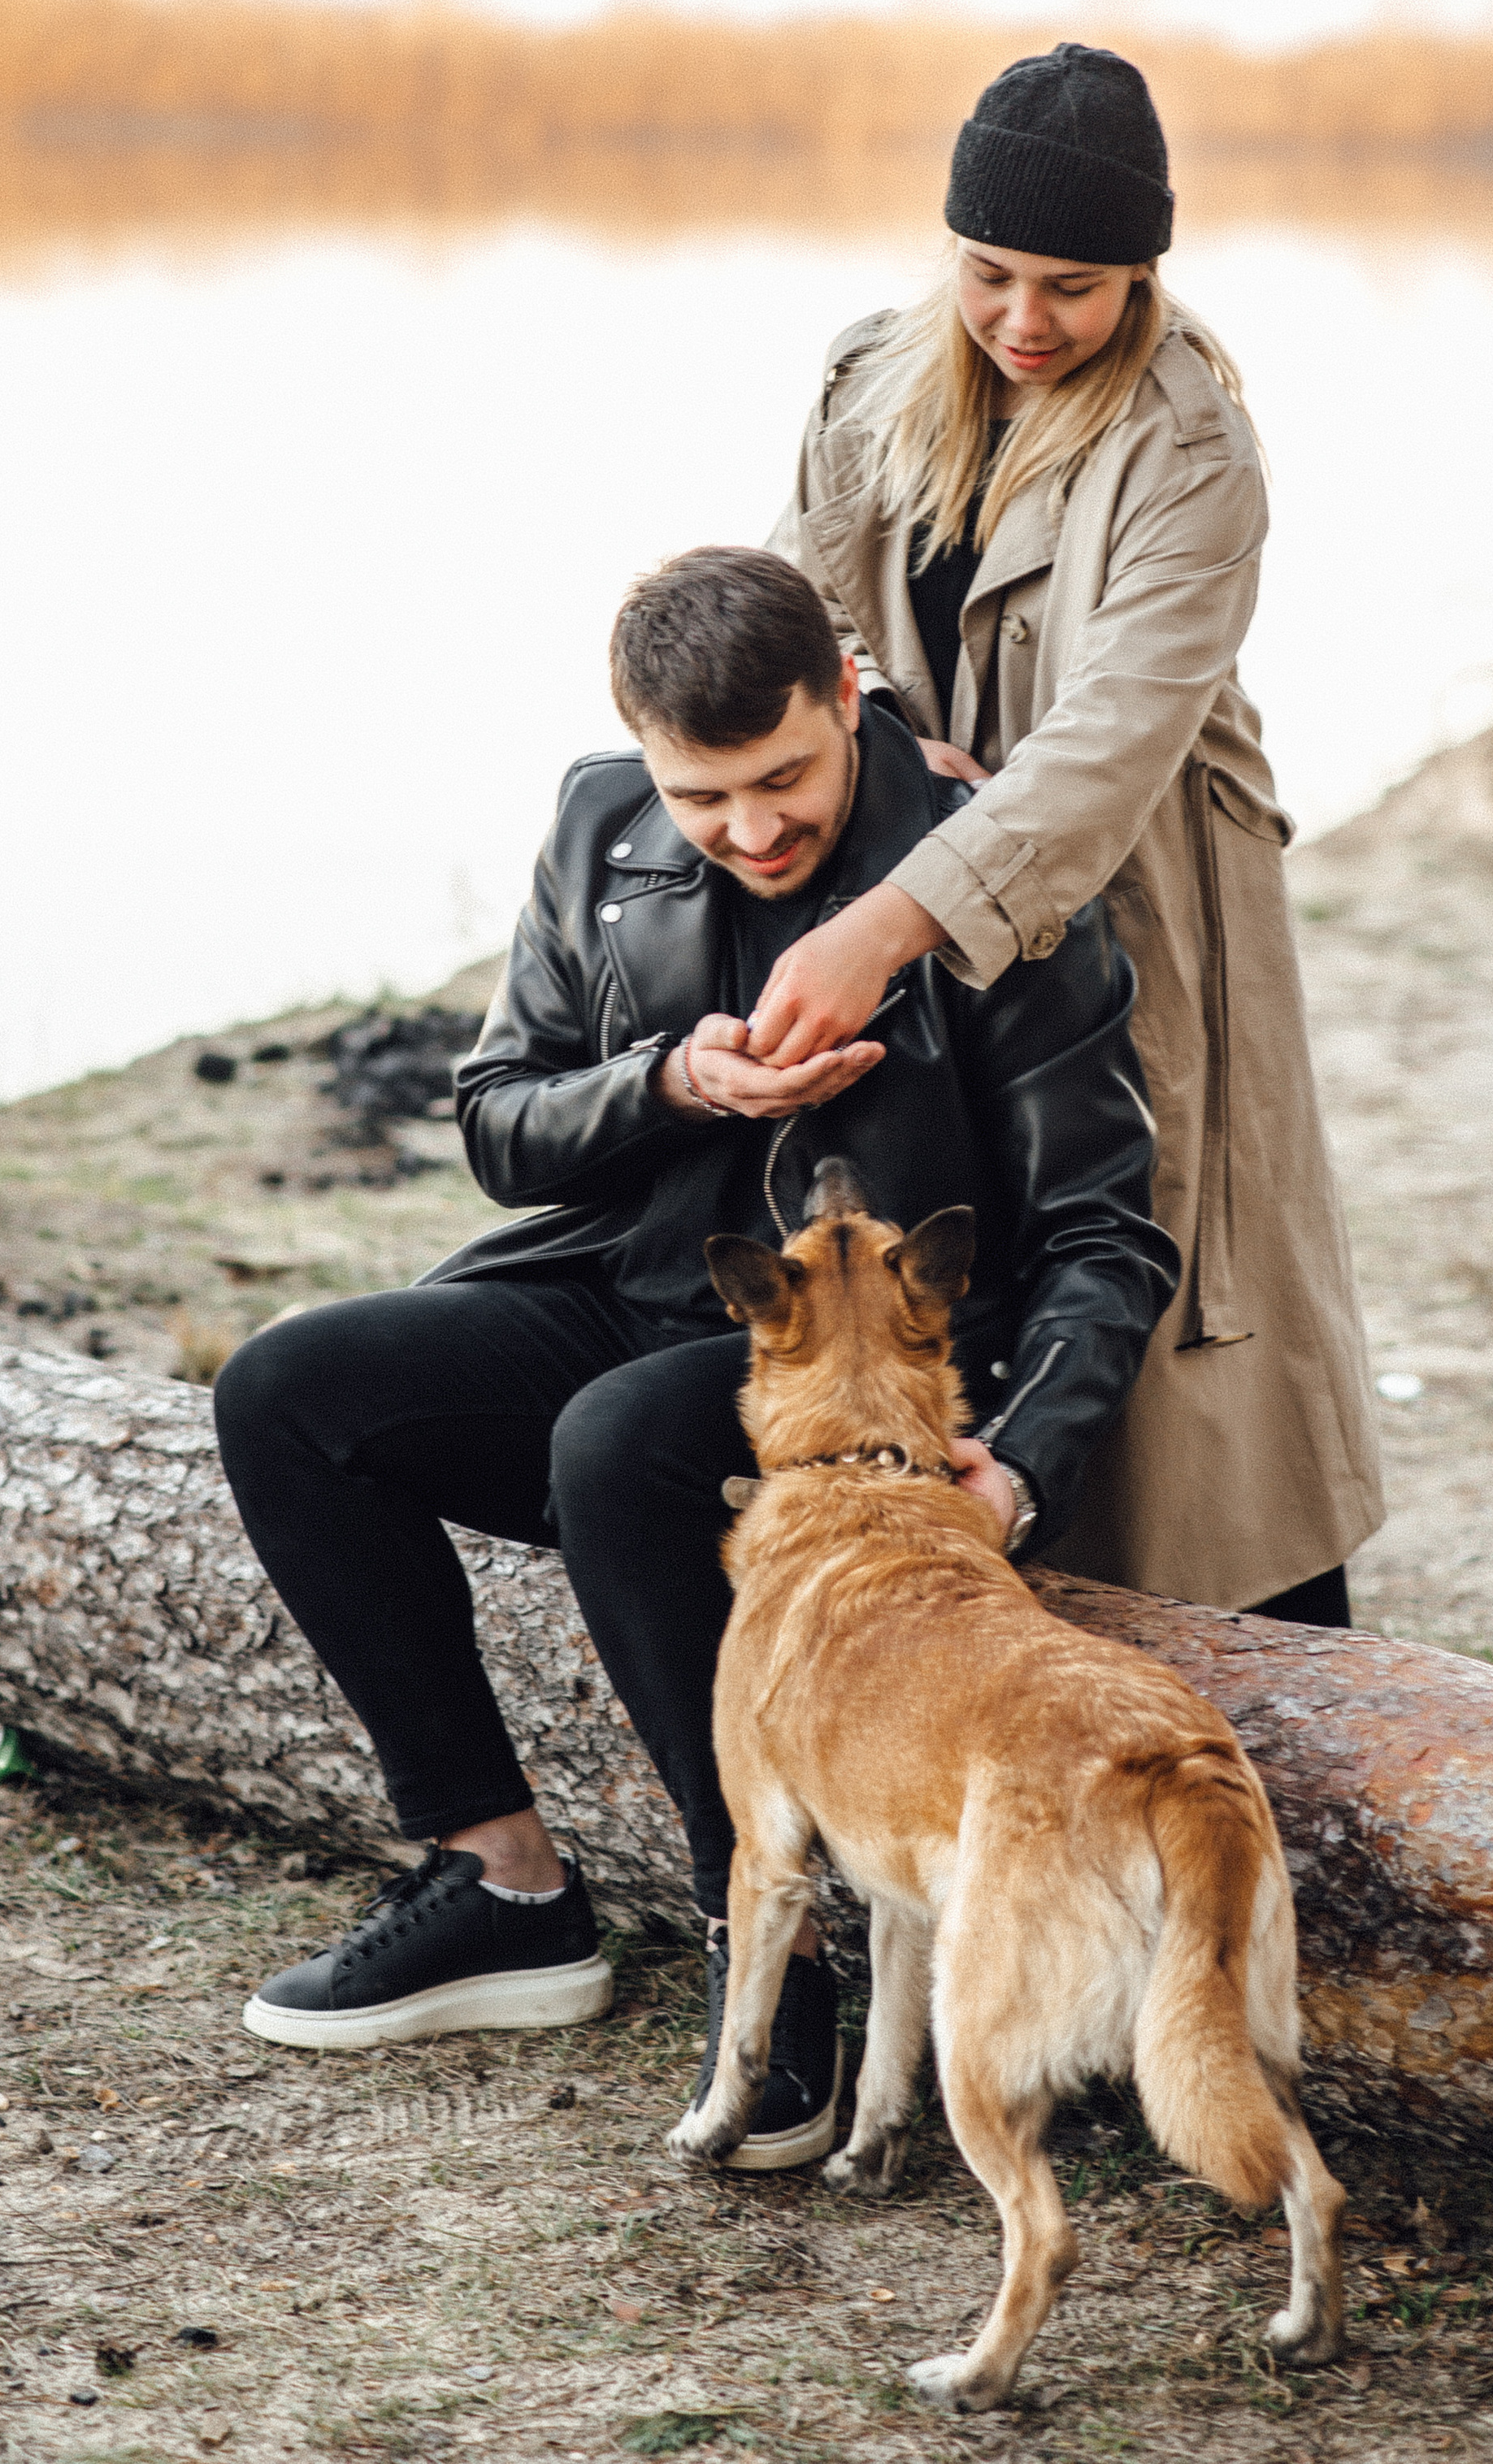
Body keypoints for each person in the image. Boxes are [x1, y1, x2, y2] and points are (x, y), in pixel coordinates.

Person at [213, 544, 1178, 2166]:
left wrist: (1023, 1461)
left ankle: (778, 1941)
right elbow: (497, 1126)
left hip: (862, 1385)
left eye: (782, 778)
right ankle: (500, 1881)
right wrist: (665, 1085)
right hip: (630, 1284)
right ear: (643, 759)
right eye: (700, 795)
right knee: (286, 1391)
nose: (745, 830)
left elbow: (1103, 1233)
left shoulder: (983, 868)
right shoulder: (596, 823)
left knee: (617, 1443)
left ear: (849, 700)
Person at [767, 43, 1384, 1619]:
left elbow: (1110, 742)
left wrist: (883, 916)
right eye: (989, 274)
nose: (1026, 321)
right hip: (922, 865)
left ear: (1141, 277)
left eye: (1077, 286)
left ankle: (1291, 1693)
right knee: (967, 1224)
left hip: (1144, 890)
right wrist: (896, 751)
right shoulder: (862, 383)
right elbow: (805, 620)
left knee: (1190, 1309)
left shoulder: (1190, 447)